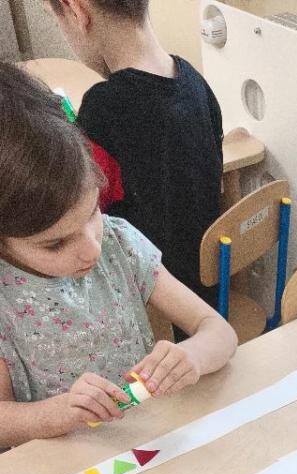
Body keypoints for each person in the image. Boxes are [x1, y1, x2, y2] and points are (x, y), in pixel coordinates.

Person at [0, 64, 236, 447]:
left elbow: (219, 331)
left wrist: (192, 356)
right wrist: (54, 414)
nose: (91, 248)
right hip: (61, 465)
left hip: (146, 441)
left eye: (93, 212)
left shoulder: (118, 243)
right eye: (55, 244)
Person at [47, 0, 224, 309]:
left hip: (152, 301)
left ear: (76, 10)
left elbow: (79, 210)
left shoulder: (103, 109)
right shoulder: (196, 82)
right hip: (205, 294)